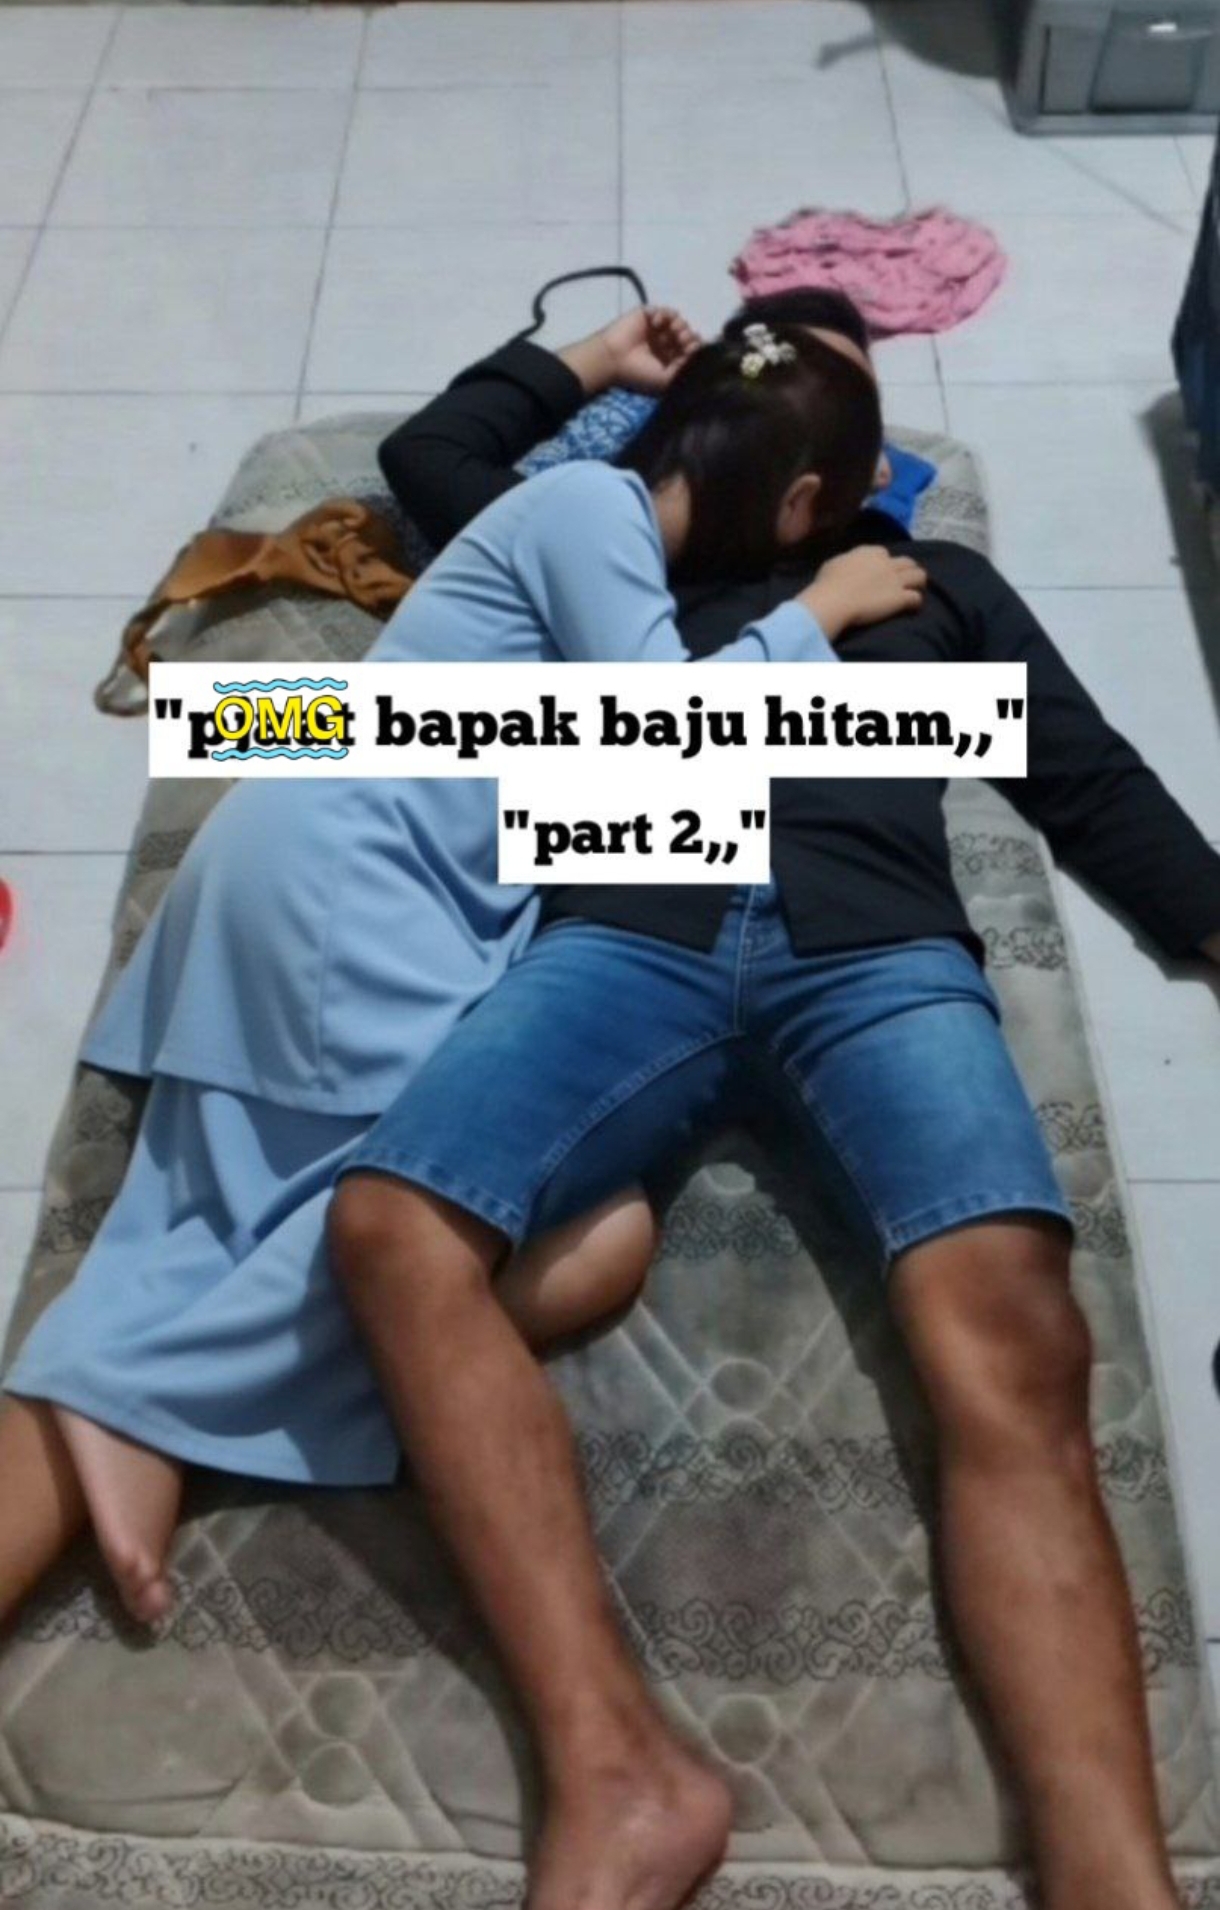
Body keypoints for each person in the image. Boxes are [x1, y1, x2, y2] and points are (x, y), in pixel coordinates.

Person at [328, 294, 1220, 1910]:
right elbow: (428, 456)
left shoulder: (938, 585)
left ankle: (1114, 1880)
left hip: (876, 948)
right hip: (626, 928)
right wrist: (597, 358)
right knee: (390, 1226)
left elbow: (1082, 773)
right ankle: (616, 1766)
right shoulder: (613, 538)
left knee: (1018, 1324)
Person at [0, 319, 922, 1634]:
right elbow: (666, 733)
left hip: (310, 866)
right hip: (352, 897)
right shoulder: (588, 510)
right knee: (559, 1240)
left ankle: (131, 1408)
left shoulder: (595, 542)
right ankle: (141, 1406)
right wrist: (817, 614)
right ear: (793, 504)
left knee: (181, 1243)